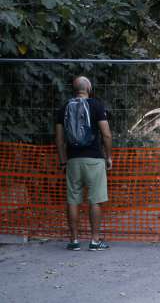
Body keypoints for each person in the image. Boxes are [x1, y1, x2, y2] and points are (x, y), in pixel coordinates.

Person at [54, 76, 112, 251]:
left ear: (75, 89)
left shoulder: (64, 107)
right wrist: (108, 157)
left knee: (73, 200)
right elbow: (106, 134)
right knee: (95, 199)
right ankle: (94, 241)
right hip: (94, 159)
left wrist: (63, 161)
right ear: (89, 87)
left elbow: (59, 139)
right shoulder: (96, 105)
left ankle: (74, 240)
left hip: (72, 160)